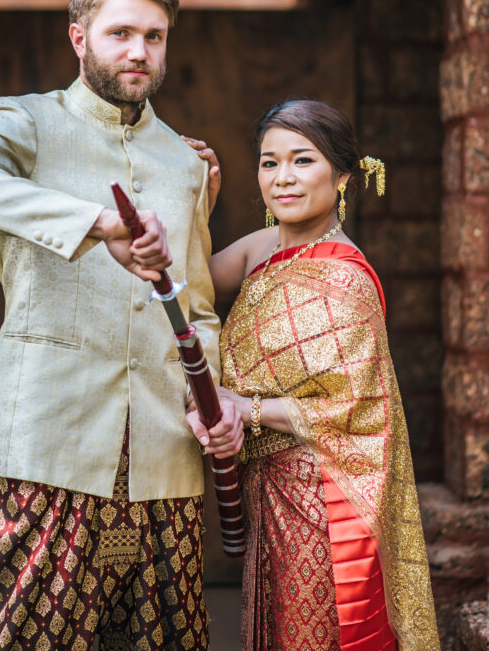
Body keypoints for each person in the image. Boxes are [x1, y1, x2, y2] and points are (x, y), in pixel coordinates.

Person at [0, 0, 242, 651]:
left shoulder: (185, 161)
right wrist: (96, 223)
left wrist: (211, 400)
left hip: (165, 454)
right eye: (120, 33)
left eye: (154, 36)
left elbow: (196, 308)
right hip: (46, 440)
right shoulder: (27, 122)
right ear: (79, 38)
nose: (139, 52)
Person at [186, 99, 440, 651]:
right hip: (264, 489)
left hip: (320, 497)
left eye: (302, 161)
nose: (282, 179)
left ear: (344, 174)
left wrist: (244, 409)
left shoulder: (346, 279)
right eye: (268, 163)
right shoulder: (262, 247)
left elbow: (352, 407)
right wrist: (195, 208)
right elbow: (186, 290)